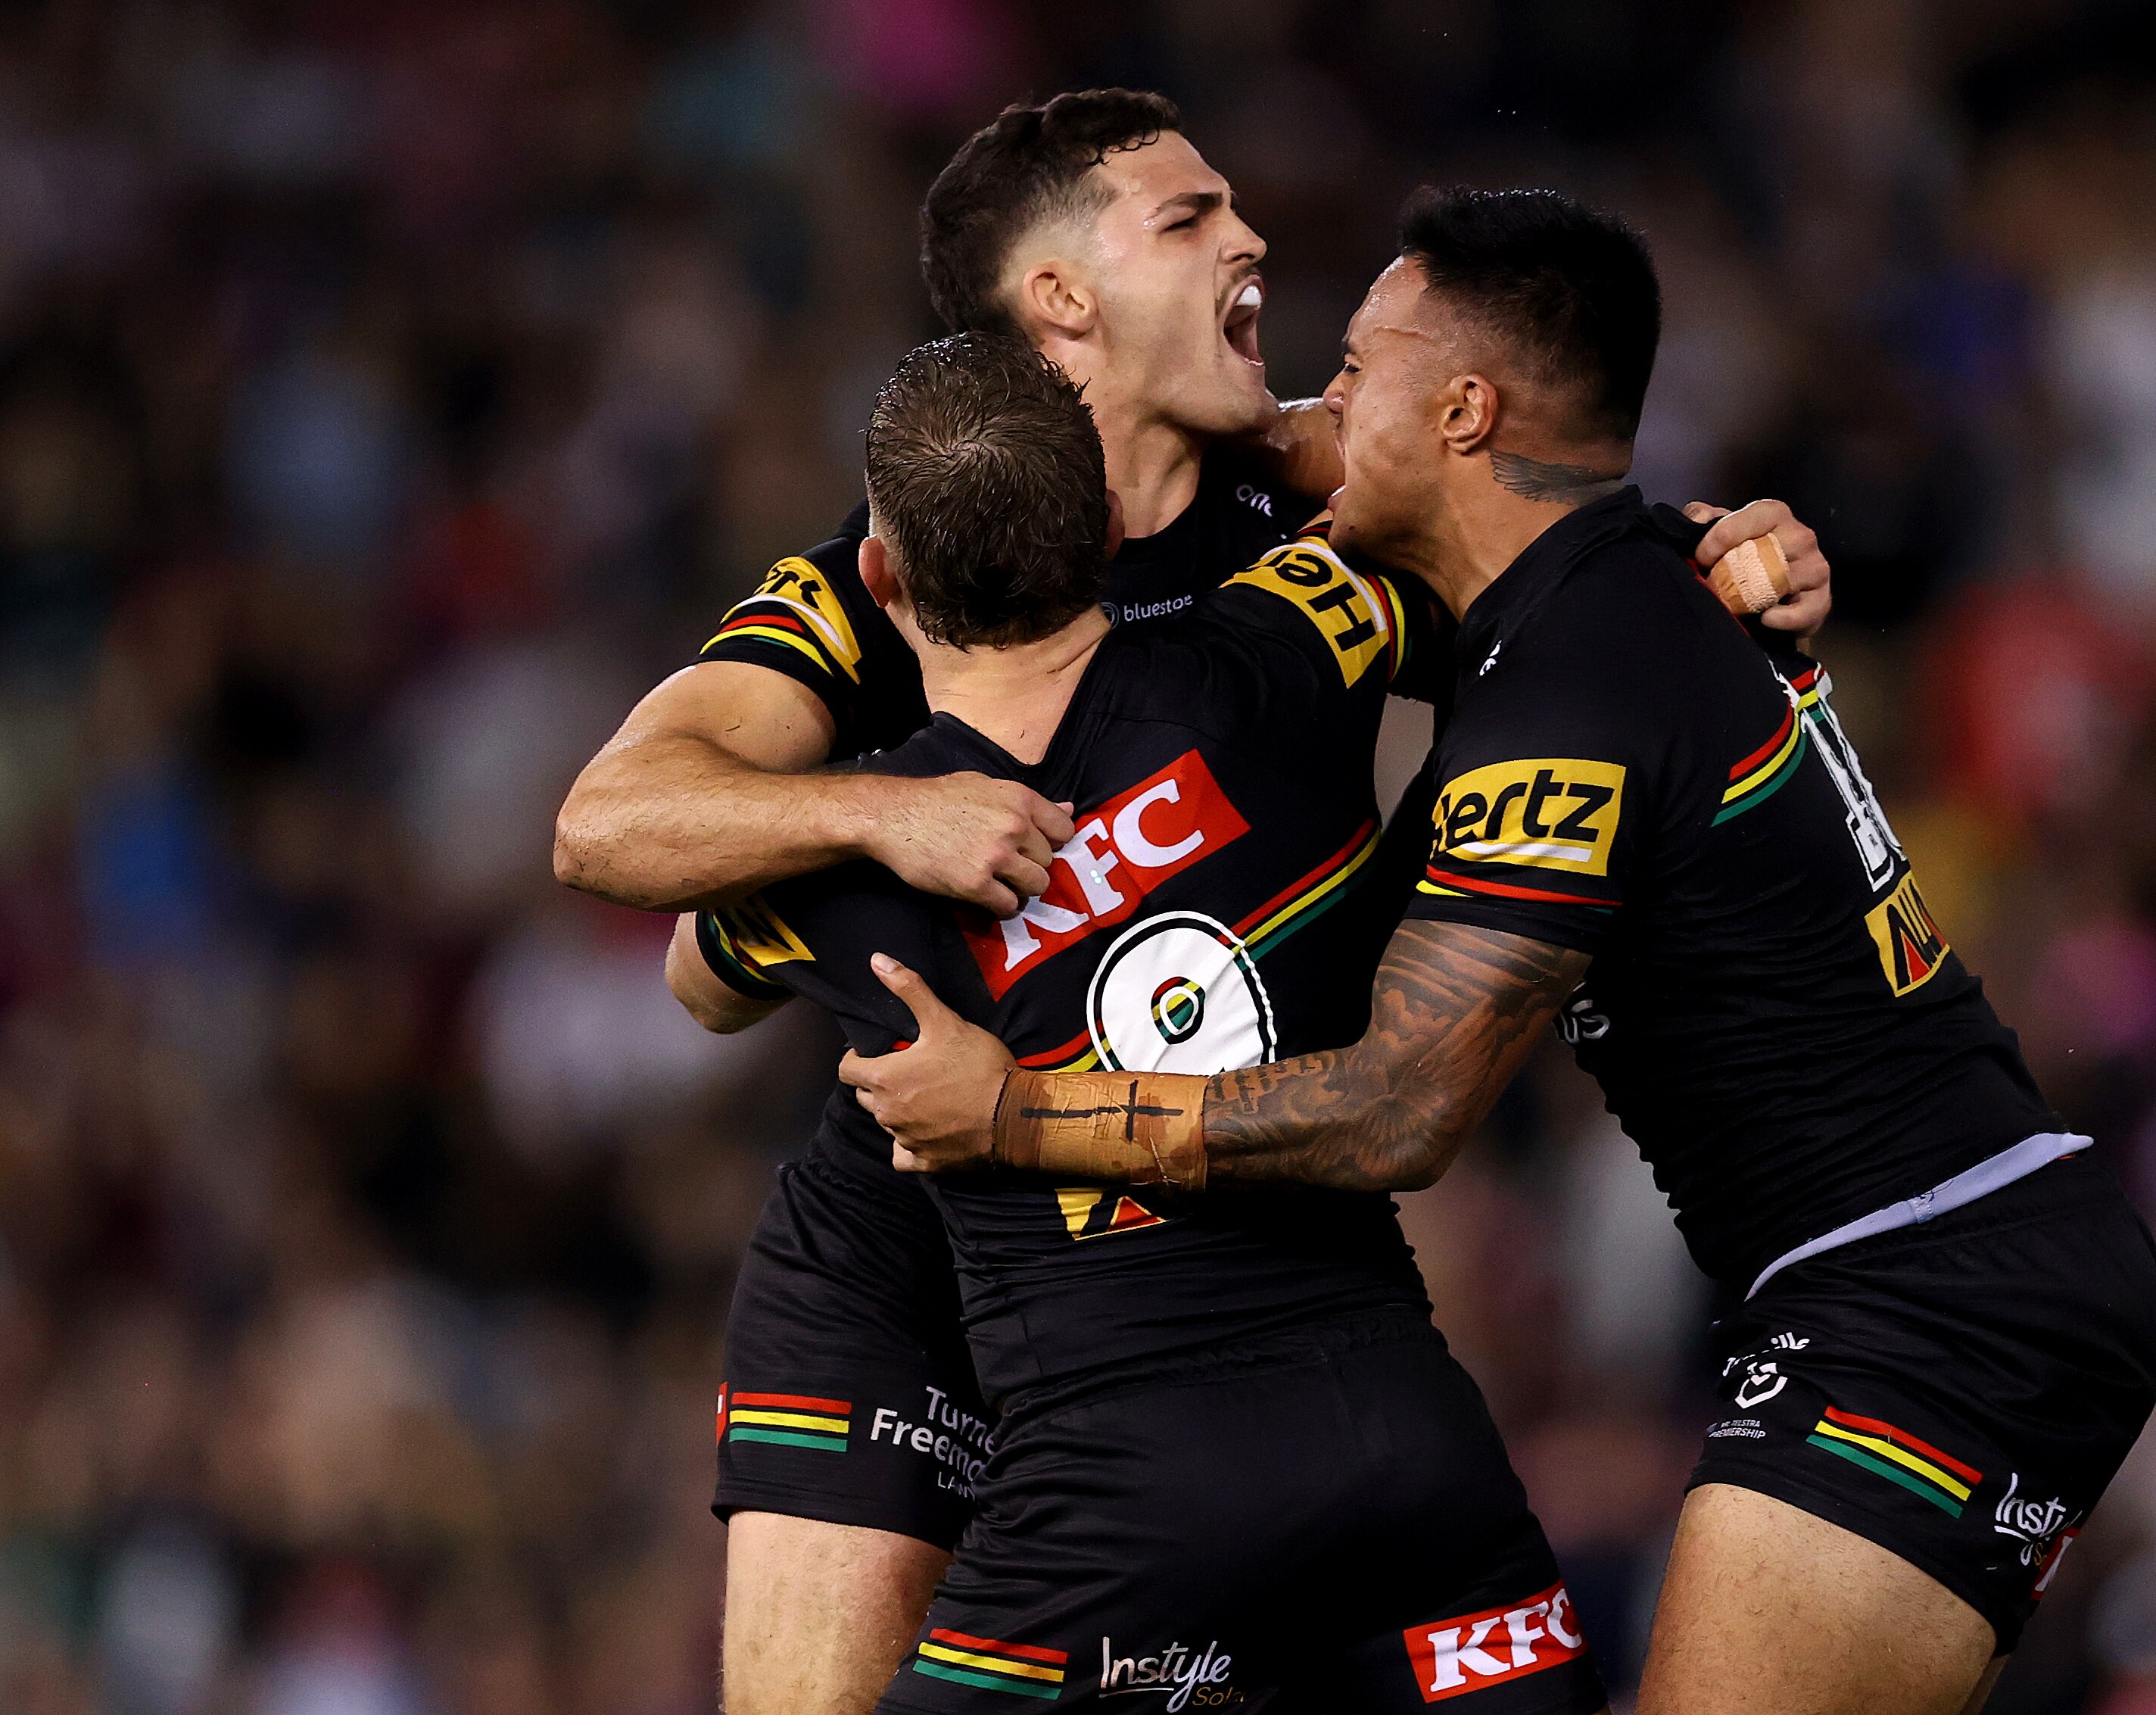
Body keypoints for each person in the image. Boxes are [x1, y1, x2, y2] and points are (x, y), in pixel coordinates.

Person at [550, 92, 1835, 1715]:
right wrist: (888, 811)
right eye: (1188, 216)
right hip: (914, 1238)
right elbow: (609, 826)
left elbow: (1549, 539)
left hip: (1223, 1257)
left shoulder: (1315, 498)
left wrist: (1721, 551)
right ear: (1061, 301)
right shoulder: (897, 558)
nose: (1251, 237)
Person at [843, 189, 2156, 1715]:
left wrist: (1016, 1114)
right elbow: (1297, 451)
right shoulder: (1616, 588)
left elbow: (1398, 1111)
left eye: (1357, 369)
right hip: (1935, 1256)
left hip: (1928, 1283)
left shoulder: (1570, 697)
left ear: (1463, 411)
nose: (1320, 404)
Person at [670, 330, 1607, 1715]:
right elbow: (1517, 556)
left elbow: (695, 974)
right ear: (1110, 531)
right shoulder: (1296, 636)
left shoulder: (834, 881)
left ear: (880, 580)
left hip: (1118, 1503)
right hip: (1404, 1439)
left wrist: (858, 812)